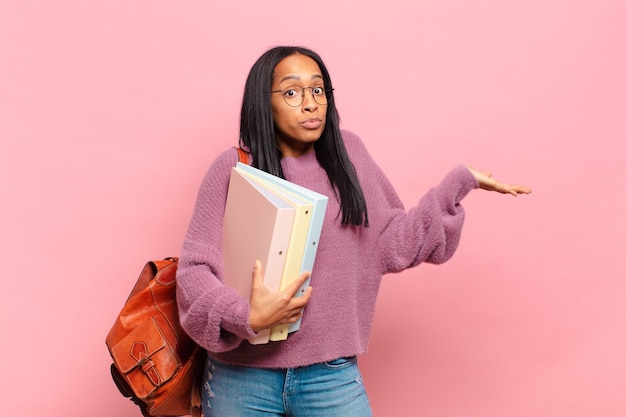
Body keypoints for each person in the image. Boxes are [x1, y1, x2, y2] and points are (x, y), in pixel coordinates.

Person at [176, 46, 531, 416]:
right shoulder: (232, 168)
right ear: (263, 102)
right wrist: (244, 315)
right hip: (240, 378)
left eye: (319, 90)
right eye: (293, 92)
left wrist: (459, 183)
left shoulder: (350, 156)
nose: (311, 103)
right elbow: (195, 271)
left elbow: (394, 242)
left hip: (330, 376)